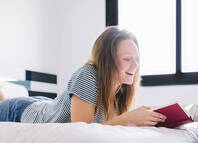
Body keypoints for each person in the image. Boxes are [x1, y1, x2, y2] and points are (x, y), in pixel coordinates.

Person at [0, 26, 166, 126]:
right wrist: (128, 119)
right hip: (22, 111)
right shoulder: (88, 75)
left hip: (46, 104)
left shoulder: (120, 89)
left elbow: (106, 126)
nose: (135, 65)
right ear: (108, 61)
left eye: (137, 59)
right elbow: (82, 129)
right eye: (127, 59)